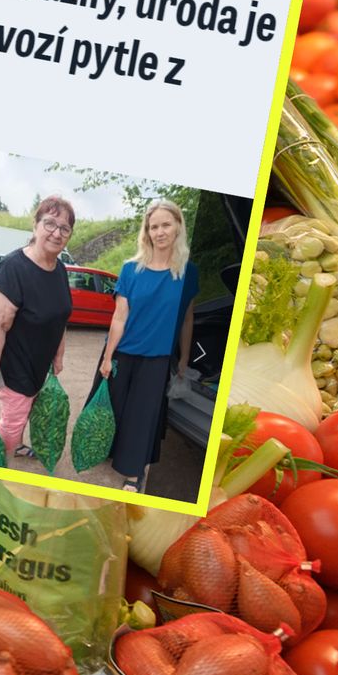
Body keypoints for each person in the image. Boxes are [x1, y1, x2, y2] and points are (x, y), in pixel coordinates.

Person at [98, 199, 201, 492]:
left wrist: (184, 360)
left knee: (142, 418)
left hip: (157, 359)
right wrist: (107, 357)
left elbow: (186, 319)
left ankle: (134, 473)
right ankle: (108, 450)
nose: (160, 232)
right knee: (113, 409)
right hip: (122, 353)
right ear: (147, 232)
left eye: (166, 224)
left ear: (178, 226)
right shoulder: (131, 269)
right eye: (153, 226)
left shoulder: (187, 273)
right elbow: (120, 316)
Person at [0, 197, 76, 460]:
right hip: (15, 367)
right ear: (35, 225)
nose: (57, 233)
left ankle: (16, 445)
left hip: (39, 364)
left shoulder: (60, 269)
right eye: (50, 224)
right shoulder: (13, 269)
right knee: (13, 419)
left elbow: (60, 316)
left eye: (64, 228)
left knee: (22, 413)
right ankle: (5, 458)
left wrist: (58, 354)